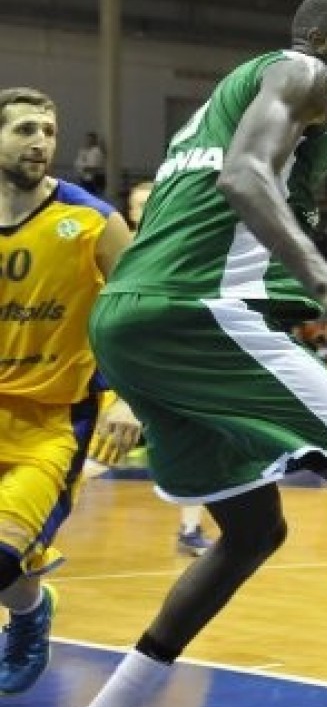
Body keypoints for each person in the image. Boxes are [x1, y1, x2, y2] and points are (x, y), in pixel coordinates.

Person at [82, 0, 327, 707]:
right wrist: (324, 281)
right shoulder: (304, 73)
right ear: (319, 40)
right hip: (193, 309)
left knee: (251, 532)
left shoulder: (227, 99)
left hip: (128, 316)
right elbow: (242, 175)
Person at [0, 87, 142, 696]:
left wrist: (130, 397)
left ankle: (29, 615)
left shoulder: (92, 219)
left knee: (3, 556)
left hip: (53, 423)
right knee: (13, 564)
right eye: (24, 129)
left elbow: (142, 309)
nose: (40, 142)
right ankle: (33, 607)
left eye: (49, 131)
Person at [125, 181, 214, 556]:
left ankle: (190, 531)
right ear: (130, 212)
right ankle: (29, 528)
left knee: (199, 446)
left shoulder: (181, 246)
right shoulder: (119, 248)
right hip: (129, 365)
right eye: (139, 204)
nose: (146, 209)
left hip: (177, 366)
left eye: (152, 201)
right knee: (97, 454)